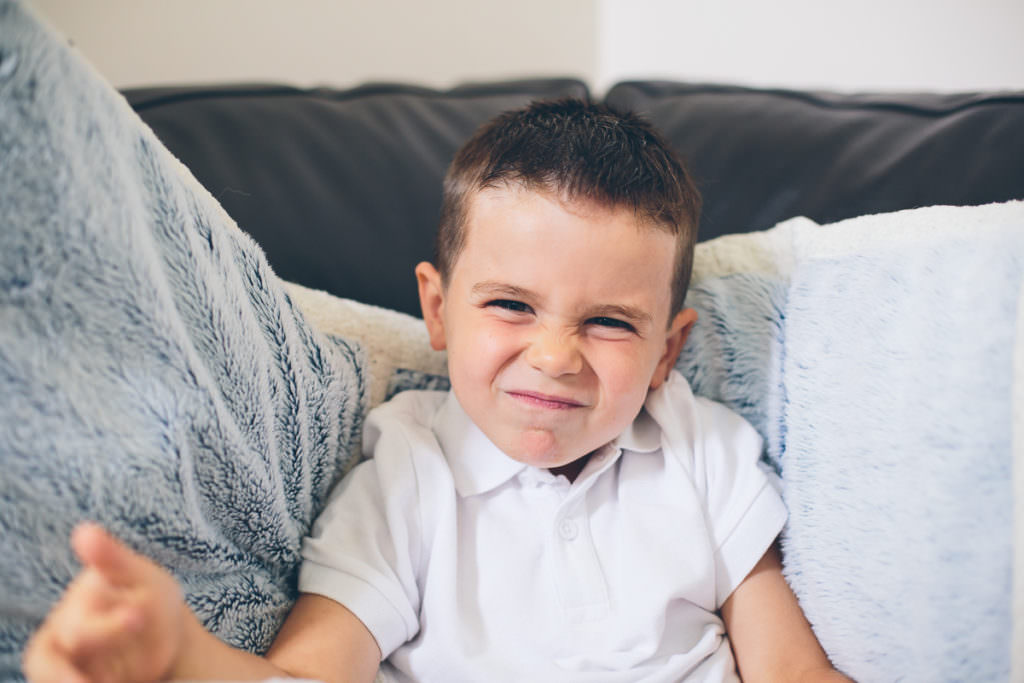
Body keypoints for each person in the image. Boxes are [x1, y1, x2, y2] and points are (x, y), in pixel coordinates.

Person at [23, 99, 850, 682]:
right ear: (437, 310)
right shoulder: (408, 468)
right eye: (511, 305)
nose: (557, 356)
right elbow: (310, 674)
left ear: (668, 350)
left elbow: (792, 669)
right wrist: (181, 658)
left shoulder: (703, 449)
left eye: (609, 322)